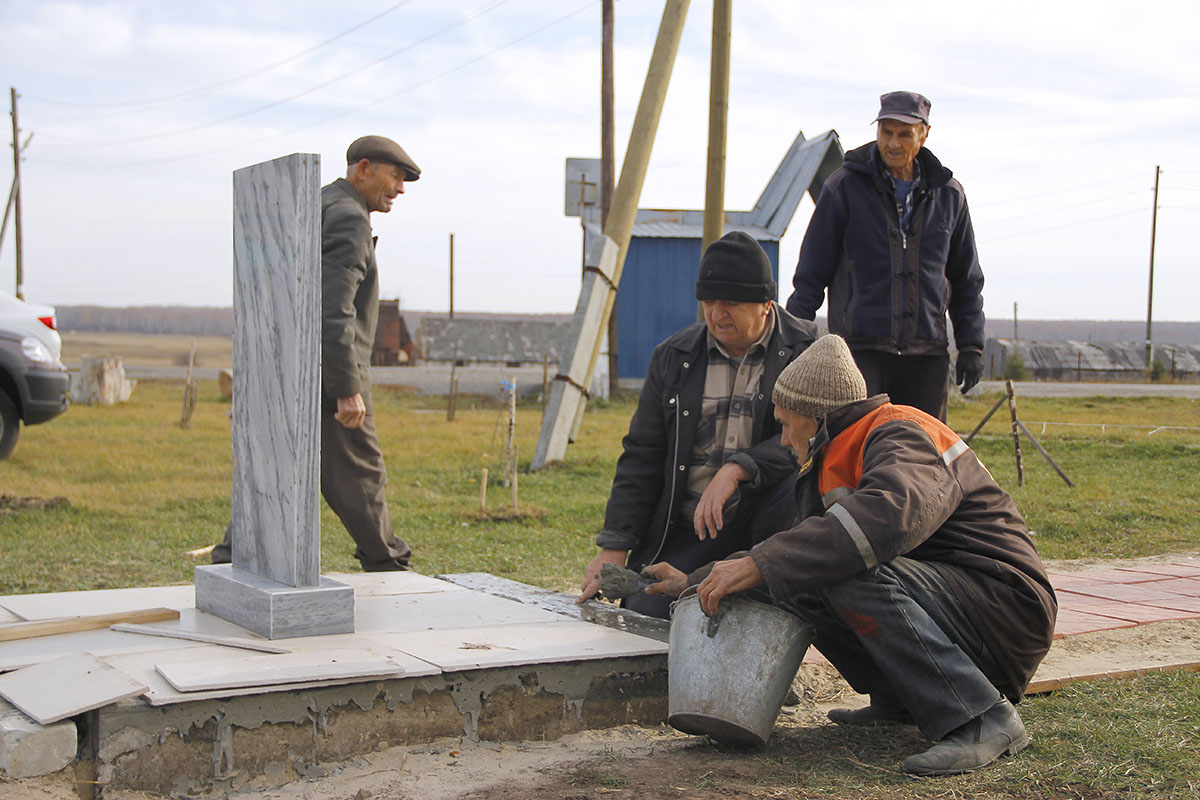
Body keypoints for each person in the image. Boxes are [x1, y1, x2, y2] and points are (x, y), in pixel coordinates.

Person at [644, 334, 1057, 776]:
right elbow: (798, 546)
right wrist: (694, 579)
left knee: (841, 569)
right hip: (964, 606)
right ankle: (901, 699)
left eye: (785, 424)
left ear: (817, 417)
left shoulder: (900, 432)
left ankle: (982, 718)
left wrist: (761, 564)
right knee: (802, 573)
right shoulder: (835, 456)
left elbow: (886, 518)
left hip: (1004, 606)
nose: (782, 440)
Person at [577, 231, 819, 618]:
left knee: (799, 489)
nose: (716, 314)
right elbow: (642, 456)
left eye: (730, 304)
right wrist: (614, 546)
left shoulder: (808, 353)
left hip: (769, 527)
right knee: (648, 610)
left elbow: (815, 441)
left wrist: (739, 468)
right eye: (709, 302)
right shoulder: (673, 357)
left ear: (765, 304)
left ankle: (776, 591)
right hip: (692, 529)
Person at [214, 135, 419, 571]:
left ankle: (228, 562)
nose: (399, 188)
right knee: (360, 475)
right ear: (363, 168)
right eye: (395, 176)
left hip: (283, 365)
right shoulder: (349, 218)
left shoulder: (314, 203)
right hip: (326, 377)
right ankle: (388, 566)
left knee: (271, 469)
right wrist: (346, 389)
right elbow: (333, 309)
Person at [786, 91, 985, 421]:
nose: (893, 143)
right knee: (858, 446)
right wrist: (793, 338)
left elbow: (966, 279)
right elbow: (811, 272)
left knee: (922, 455)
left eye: (904, 134)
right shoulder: (844, 187)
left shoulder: (950, 195)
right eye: (886, 132)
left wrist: (971, 346)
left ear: (924, 134)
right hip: (859, 353)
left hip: (927, 356)